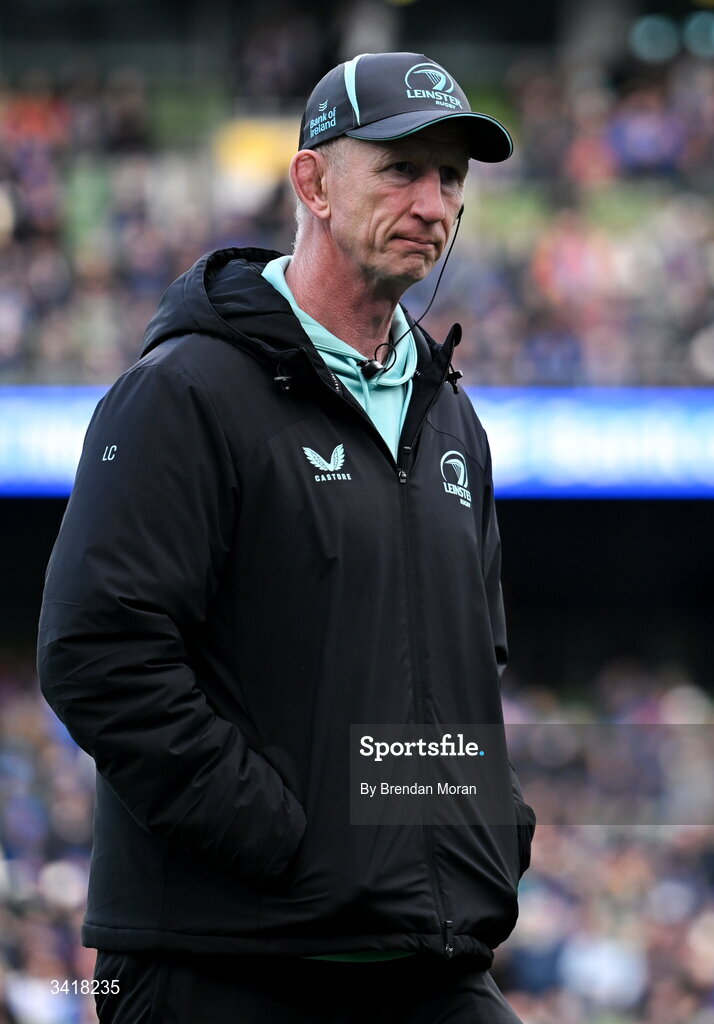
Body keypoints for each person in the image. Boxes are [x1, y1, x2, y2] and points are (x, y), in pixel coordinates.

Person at [37, 51, 536, 1023]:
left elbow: (471, 661)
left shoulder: (448, 421)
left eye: (450, 178)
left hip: (423, 958)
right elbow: (96, 651)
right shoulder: (183, 392)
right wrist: (280, 838)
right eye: (400, 169)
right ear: (311, 181)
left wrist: (483, 830)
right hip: (226, 961)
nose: (432, 203)